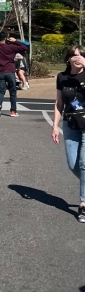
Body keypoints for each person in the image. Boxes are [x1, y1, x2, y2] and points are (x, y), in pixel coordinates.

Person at [52, 47, 85, 223]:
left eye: (82, 55)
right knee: (73, 165)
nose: (78, 57)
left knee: (84, 163)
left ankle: (83, 204)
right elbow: (59, 103)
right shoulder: (62, 77)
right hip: (70, 124)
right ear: (68, 59)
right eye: (74, 55)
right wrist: (55, 126)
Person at [0, 31, 30, 117]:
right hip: (10, 72)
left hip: (0, 72)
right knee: (12, 91)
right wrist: (15, 41)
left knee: (1, 91)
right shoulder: (11, 47)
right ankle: (13, 111)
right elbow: (24, 48)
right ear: (6, 38)